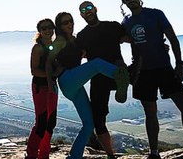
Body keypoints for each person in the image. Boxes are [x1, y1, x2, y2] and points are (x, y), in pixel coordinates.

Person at [119, 0, 183, 159]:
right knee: (150, 114)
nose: (132, 0)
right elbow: (126, 41)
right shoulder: (126, 22)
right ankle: (154, 153)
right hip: (143, 73)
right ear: (123, 1)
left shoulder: (156, 14)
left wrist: (180, 64)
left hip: (164, 69)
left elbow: (173, 39)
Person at [46, 12, 129, 159]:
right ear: (59, 26)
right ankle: (121, 76)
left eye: (70, 21)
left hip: (74, 86)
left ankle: (74, 157)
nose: (69, 24)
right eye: (65, 23)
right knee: (96, 64)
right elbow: (48, 60)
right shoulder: (59, 40)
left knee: (89, 124)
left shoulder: (75, 40)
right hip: (67, 79)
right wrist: (50, 80)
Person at [76, 1, 128, 159]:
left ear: (95, 9)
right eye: (84, 10)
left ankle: (122, 82)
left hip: (116, 71)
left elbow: (133, 39)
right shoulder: (82, 35)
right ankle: (110, 155)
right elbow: (78, 56)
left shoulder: (112, 26)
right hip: (99, 79)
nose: (87, 11)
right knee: (98, 120)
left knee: (120, 68)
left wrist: (159, 45)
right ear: (81, 15)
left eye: (89, 8)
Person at [26, 18, 58, 159]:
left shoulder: (54, 45)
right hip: (41, 87)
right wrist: (53, 74)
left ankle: (44, 155)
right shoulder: (38, 47)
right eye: (44, 28)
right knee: (41, 123)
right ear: (39, 31)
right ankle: (31, 155)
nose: (47, 30)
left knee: (51, 122)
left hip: (52, 86)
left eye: (50, 27)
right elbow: (34, 71)